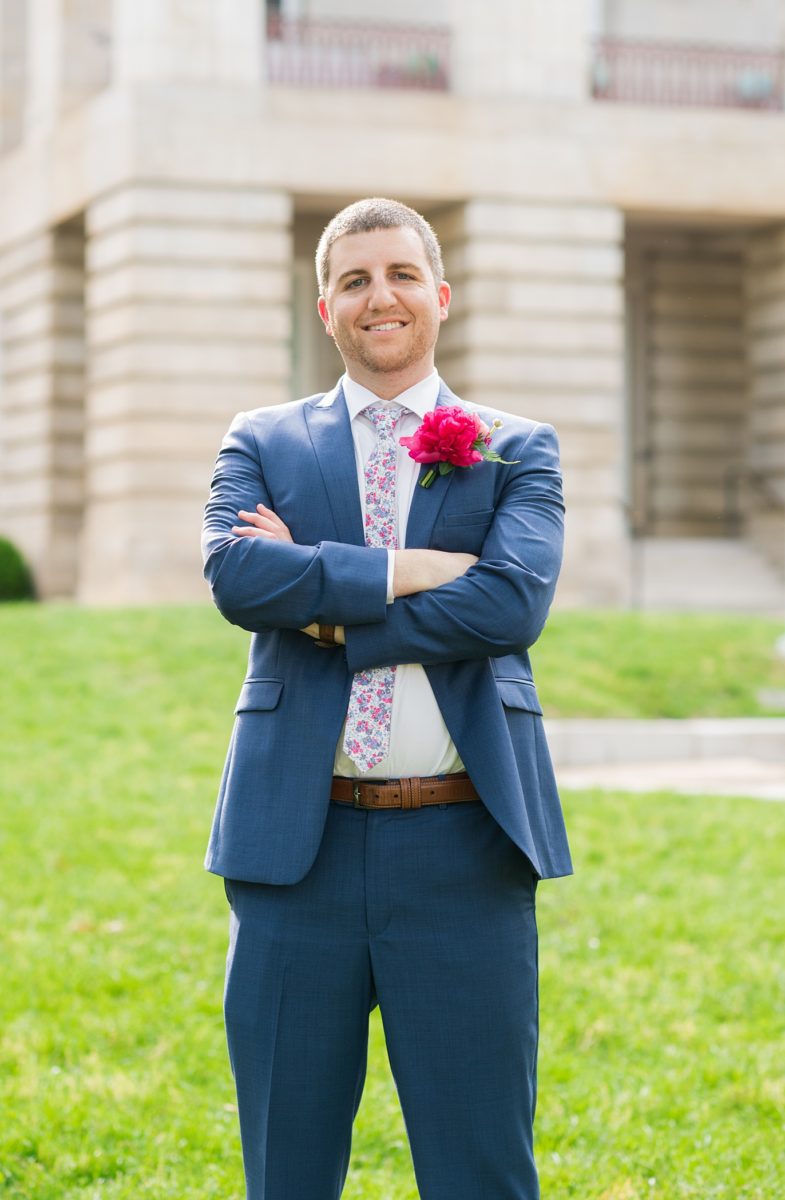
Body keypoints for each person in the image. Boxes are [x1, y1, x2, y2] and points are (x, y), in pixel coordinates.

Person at [201, 196, 572, 1200]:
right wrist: (407, 570)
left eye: (402, 274)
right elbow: (238, 578)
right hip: (294, 849)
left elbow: (510, 605)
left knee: (481, 1169)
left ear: (440, 297)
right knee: (287, 1166)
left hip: (464, 850)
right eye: (355, 280)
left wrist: (323, 611)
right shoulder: (265, 440)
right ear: (325, 307)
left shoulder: (515, 449)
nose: (381, 297)